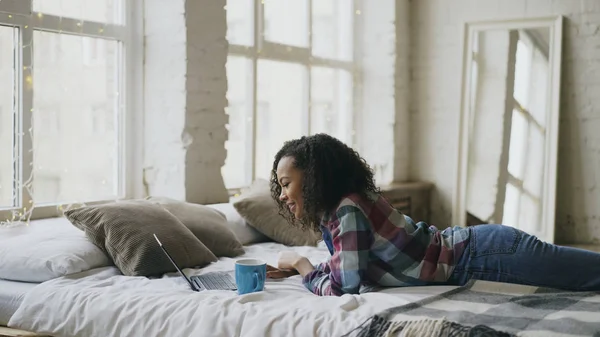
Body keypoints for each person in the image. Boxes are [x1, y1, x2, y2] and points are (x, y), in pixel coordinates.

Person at [265, 133, 600, 297]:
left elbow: (344, 287)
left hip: (481, 254)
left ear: (313, 178)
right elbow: (349, 263)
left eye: (286, 184)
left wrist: (301, 264)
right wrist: (309, 268)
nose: (282, 195)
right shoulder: (340, 211)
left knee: (588, 275)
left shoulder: (346, 210)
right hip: (478, 252)